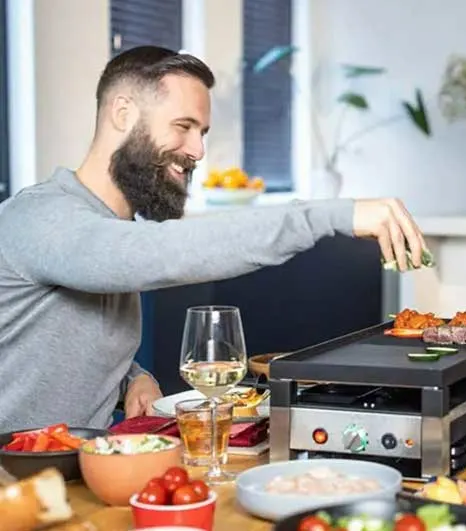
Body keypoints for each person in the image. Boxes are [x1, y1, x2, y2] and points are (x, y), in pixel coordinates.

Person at [0, 46, 427, 432]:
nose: (198, 151)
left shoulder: (110, 233)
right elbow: (164, 253)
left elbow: (58, 339)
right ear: (123, 113)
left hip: (75, 482)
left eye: (201, 132)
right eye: (183, 126)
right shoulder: (39, 217)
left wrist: (132, 376)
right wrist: (334, 214)